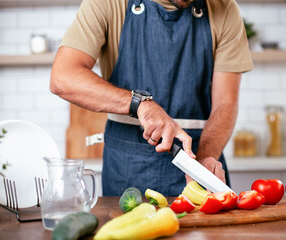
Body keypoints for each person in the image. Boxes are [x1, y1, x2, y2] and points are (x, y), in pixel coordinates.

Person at [50, 0, 253, 196]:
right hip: (126, 169)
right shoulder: (107, 3)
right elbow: (63, 77)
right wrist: (140, 104)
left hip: (198, 162)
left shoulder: (225, 9)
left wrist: (205, 159)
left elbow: (226, 104)